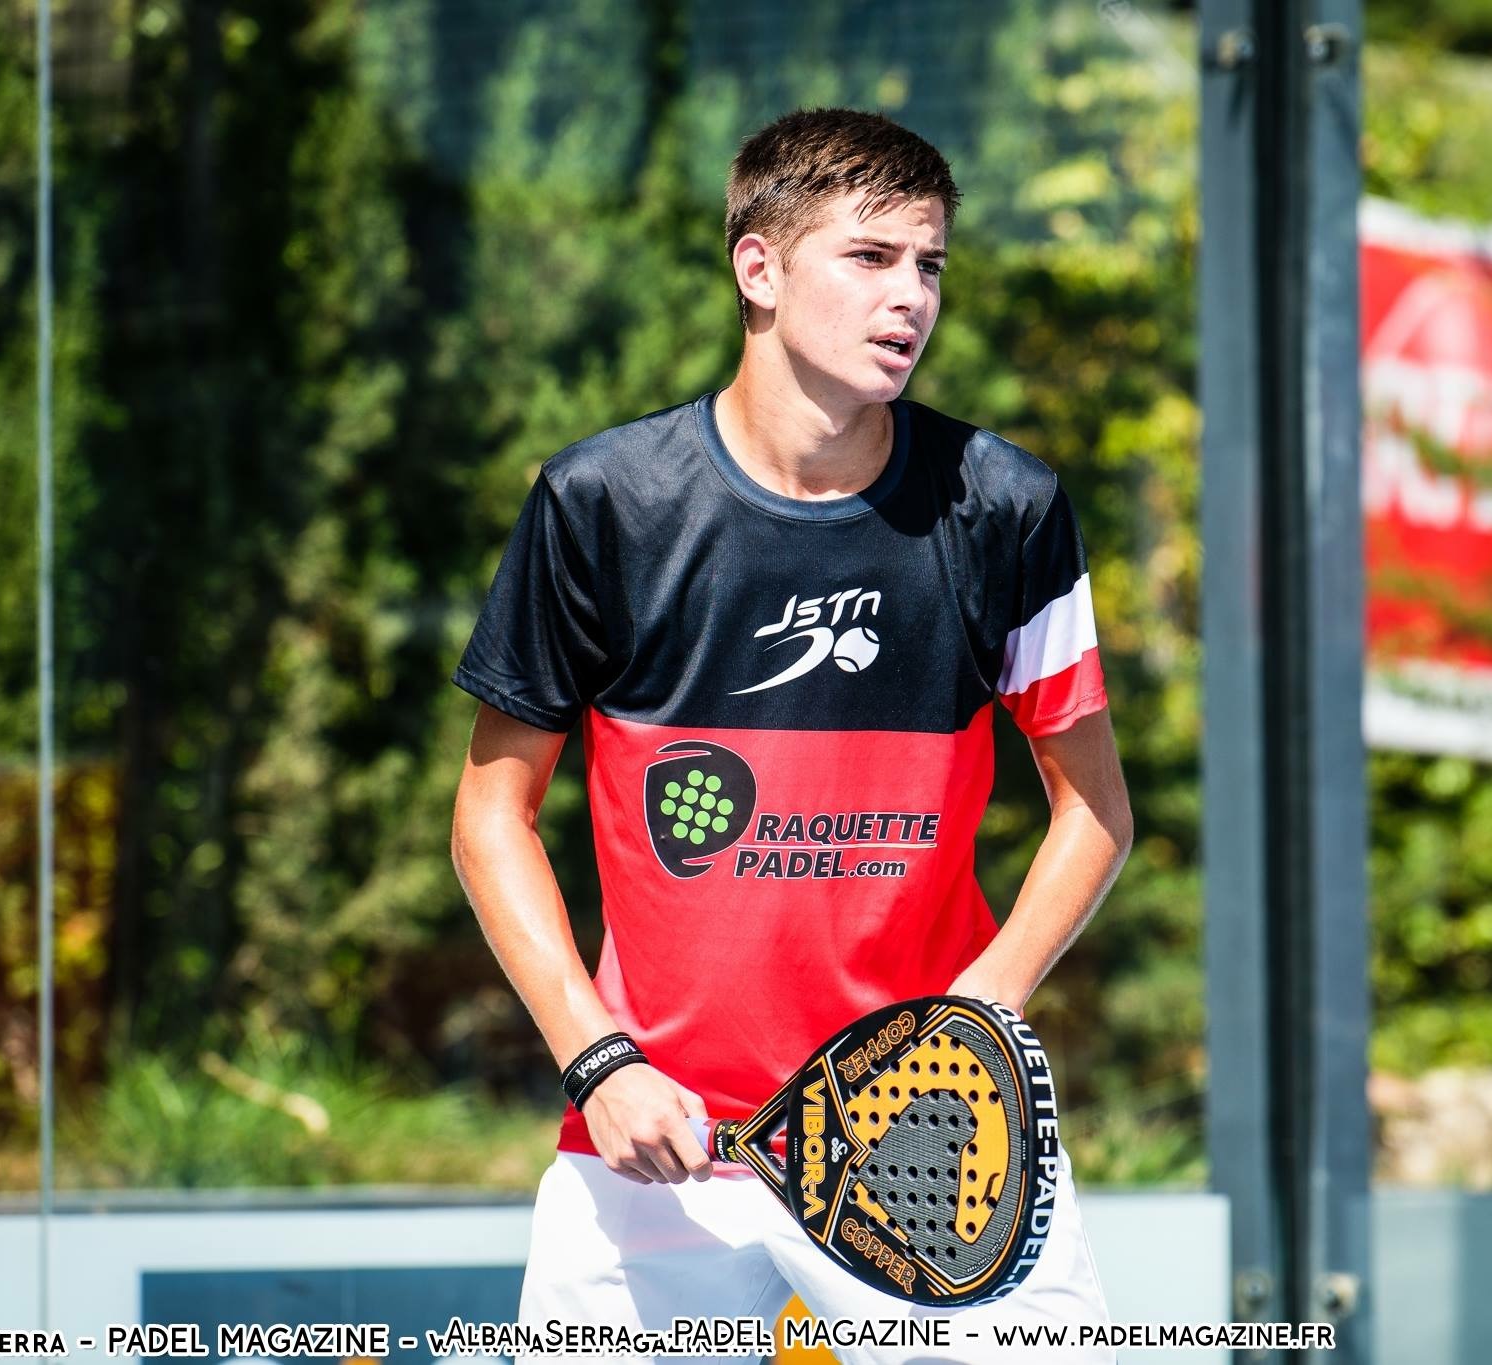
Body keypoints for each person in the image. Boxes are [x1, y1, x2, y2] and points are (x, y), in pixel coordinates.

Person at [450, 106, 1131, 1364]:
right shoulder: (601, 503)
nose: (909, 297)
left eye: (928, 265)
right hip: (651, 1147)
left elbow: (1094, 813)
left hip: (928, 1144)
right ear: (756, 269)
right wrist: (596, 1062)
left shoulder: (1006, 506)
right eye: (868, 257)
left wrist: (973, 1022)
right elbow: (490, 817)